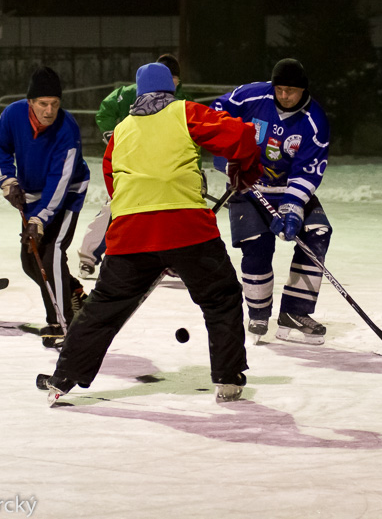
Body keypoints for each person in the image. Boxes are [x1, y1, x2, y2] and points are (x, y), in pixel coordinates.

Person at [42, 62, 261, 404]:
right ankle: (228, 377)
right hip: (186, 230)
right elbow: (243, 136)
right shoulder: (184, 112)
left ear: (138, 92)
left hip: (130, 235)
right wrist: (243, 166)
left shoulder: (121, 131)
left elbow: (114, 183)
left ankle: (65, 375)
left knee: (103, 308)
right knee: (221, 297)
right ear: (170, 89)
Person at [211, 58, 332, 345]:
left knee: (317, 233)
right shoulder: (252, 95)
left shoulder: (315, 122)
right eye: (279, 89)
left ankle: (294, 312)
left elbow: (306, 171)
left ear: (303, 90)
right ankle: (258, 313)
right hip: (246, 184)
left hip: (287, 190)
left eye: (291, 90)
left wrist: (292, 208)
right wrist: (226, 154)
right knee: (257, 243)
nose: (284, 95)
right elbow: (214, 114)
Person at [0, 67, 90, 347]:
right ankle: (74, 292)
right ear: (30, 102)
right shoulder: (13, 114)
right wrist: (7, 179)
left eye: (55, 104)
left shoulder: (67, 130)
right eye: (43, 104)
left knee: (51, 254)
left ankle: (61, 321)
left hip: (67, 193)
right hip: (33, 193)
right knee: (29, 260)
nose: (49, 110)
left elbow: (60, 181)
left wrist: (40, 220)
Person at [77, 54, 191, 279]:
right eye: (169, 77)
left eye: (175, 78)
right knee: (115, 207)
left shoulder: (182, 101)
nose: (172, 83)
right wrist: (112, 133)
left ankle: (170, 257)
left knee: (170, 213)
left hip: (163, 168)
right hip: (130, 162)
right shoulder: (129, 94)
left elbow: (190, 140)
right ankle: (89, 257)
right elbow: (105, 111)